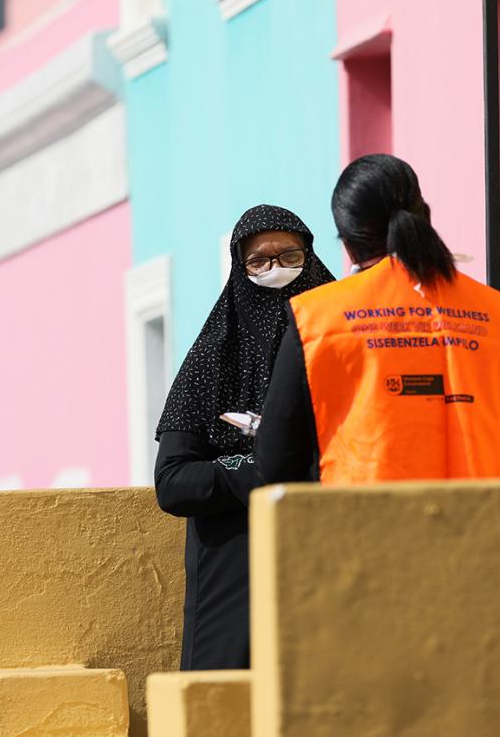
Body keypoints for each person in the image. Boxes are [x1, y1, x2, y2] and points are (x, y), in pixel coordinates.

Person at [257, 153, 500, 484]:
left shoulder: (315, 317)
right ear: (426, 217)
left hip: (363, 528)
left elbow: (277, 463)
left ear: (349, 243)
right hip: (491, 526)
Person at [154, 205, 335, 669]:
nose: (275, 269)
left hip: (329, 550)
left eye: (288, 255)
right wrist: (252, 470)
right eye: (258, 261)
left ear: (310, 258)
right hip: (233, 566)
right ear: (240, 268)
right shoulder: (214, 356)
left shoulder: (341, 340)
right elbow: (173, 481)